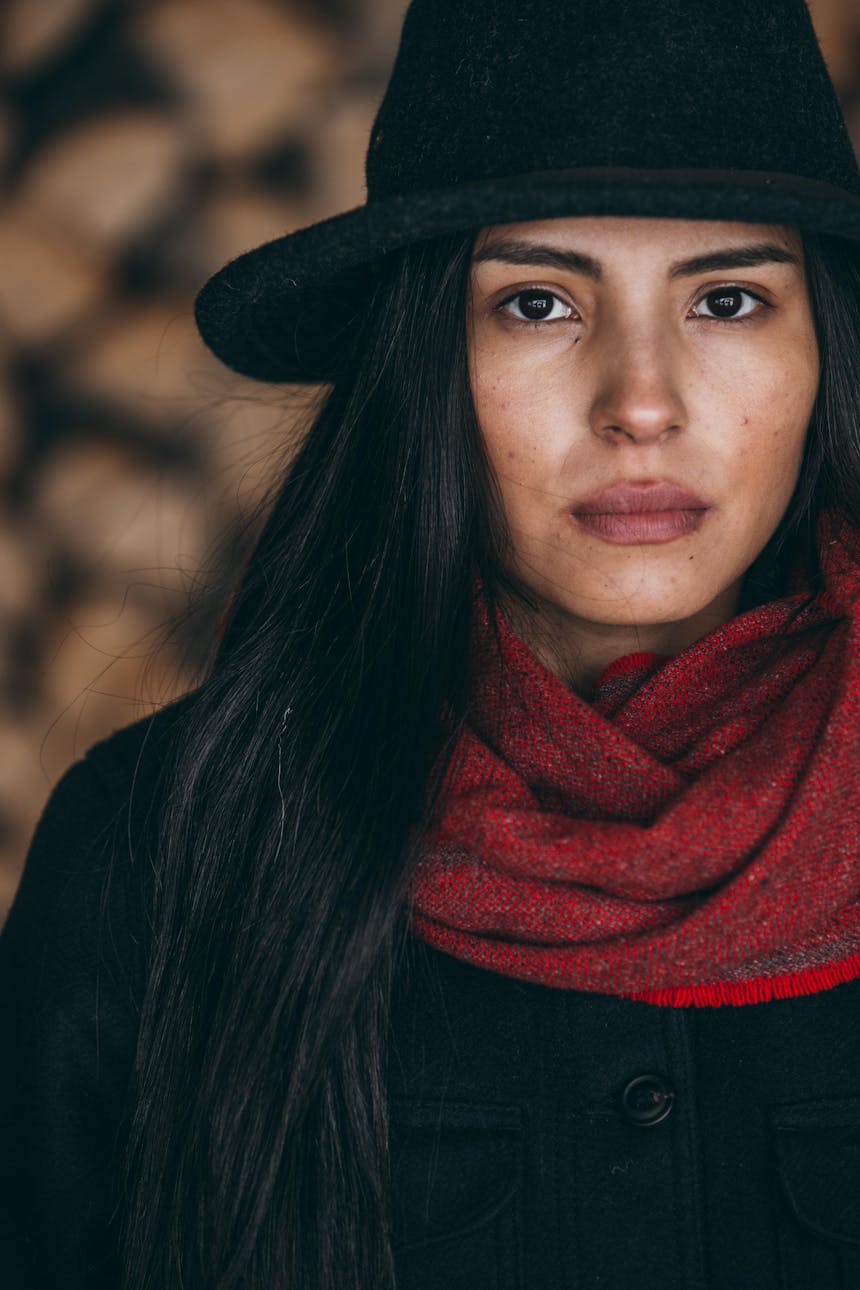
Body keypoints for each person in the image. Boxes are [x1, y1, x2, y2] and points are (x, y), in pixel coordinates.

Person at [3, 0, 860, 1286]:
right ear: (423, 363)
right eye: (535, 303)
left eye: (727, 298)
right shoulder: (155, 850)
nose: (640, 401)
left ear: (821, 354)